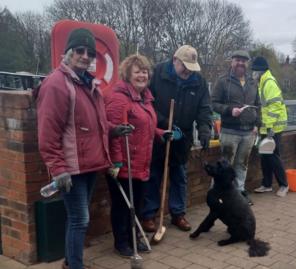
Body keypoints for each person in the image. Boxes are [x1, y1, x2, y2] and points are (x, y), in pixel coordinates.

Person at [36, 28, 132, 269]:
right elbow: (48, 134)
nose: (85, 56)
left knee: (79, 218)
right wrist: (58, 169)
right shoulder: (57, 84)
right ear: (67, 53)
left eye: (90, 53)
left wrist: (113, 129)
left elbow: (94, 123)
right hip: (71, 168)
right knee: (80, 219)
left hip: (90, 164)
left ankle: (71, 262)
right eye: (79, 50)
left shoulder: (89, 84)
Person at [104, 54, 173, 257]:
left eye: (144, 71)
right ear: (127, 74)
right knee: (122, 206)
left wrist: (162, 134)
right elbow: (114, 132)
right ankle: (121, 242)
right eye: (137, 71)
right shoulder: (118, 98)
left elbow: (146, 128)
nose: (142, 75)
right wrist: (116, 161)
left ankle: (134, 238)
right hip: (122, 163)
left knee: (137, 205)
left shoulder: (145, 98)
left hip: (141, 163)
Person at [142, 45, 212, 232]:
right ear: (175, 60)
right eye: (184, 66)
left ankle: (178, 214)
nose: (188, 71)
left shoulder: (199, 82)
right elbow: (146, 101)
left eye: (191, 67)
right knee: (154, 175)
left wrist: (205, 129)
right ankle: (149, 215)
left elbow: (204, 109)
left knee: (179, 175)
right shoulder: (157, 73)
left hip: (183, 136)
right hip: (159, 132)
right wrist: (165, 122)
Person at [211, 50, 260, 205]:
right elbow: (213, 103)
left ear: (247, 64)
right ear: (231, 62)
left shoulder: (252, 83)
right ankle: (215, 195)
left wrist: (257, 124)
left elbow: (258, 105)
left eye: (244, 61)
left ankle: (238, 194)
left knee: (242, 165)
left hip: (248, 132)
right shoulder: (223, 81)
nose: (241, 63)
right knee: (224, 166)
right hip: (229, 132)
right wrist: (229, 110)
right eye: (237, 60)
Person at [251, 56, 289, 197]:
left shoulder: (269, 83)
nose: (252, 74)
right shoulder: (263, 82)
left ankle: (284, 185)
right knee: (264, 156)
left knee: (273, 156)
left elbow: (275, 106)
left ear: (259, 71)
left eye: (254, 71)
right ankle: (266, 184)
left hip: (273, 128)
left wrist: (268, 127)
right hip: (266, 126)